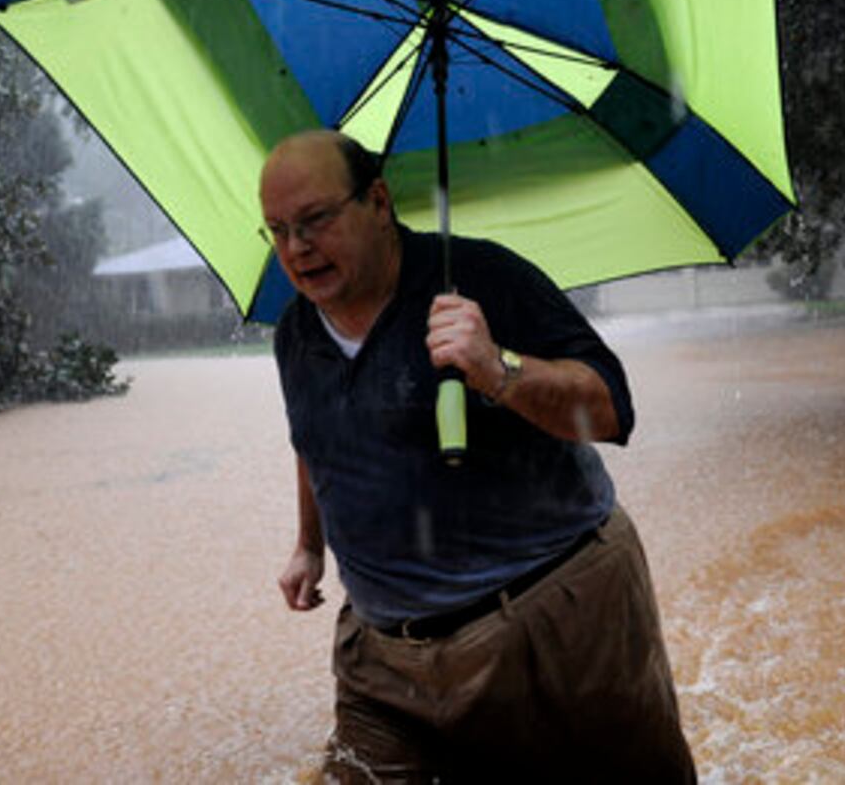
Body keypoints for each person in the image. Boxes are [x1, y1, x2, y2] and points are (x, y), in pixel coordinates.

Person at [261, 130, 695, 782]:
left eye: (316, 220)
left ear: (378, 201)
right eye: (277, 230)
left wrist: (499, 370)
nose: (296, 248)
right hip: (382, 661)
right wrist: (308, 545)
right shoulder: (296, 332)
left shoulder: (484, 278)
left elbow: (610, 408)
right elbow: (317, 440)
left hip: (552, 622)